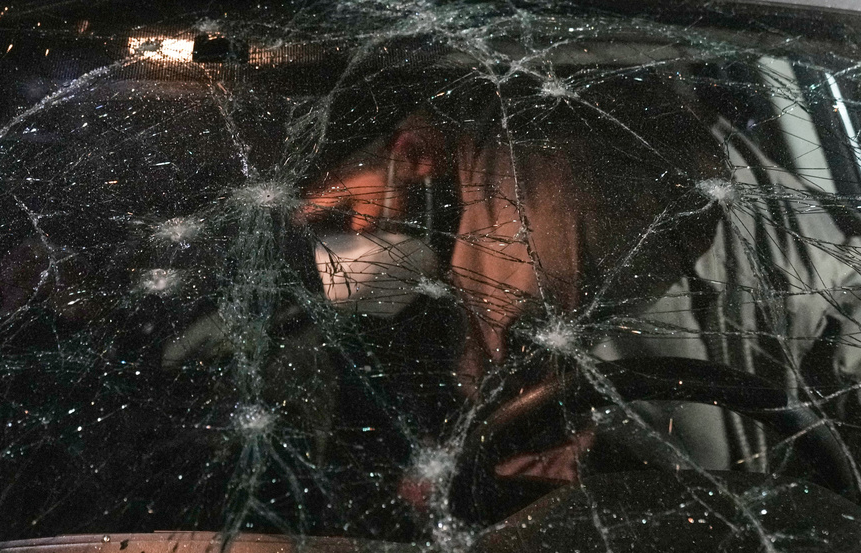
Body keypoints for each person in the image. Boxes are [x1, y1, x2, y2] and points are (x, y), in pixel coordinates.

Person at [297, 71, 861, 506]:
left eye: (343, 214)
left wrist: (491, 469)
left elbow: (531, 345)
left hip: (779, 480)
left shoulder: (546, 189)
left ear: (413, 154)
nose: (343, 247)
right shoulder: (479, 215)